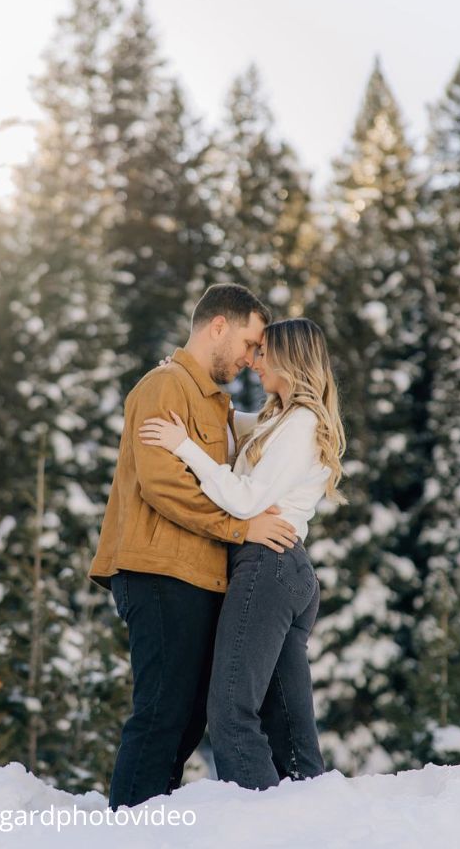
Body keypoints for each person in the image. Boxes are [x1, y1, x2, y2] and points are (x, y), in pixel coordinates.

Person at [88, 283, 302, 810]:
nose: (254, 357)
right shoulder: (166, 386)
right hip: (160, 573)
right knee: (163, 711)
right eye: (252, 343)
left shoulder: (214, 404)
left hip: (197, 575)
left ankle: (152, 817)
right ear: (219, 326)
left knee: (184, 718)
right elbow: (163, 485)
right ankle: (129, 826)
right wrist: (240, 530)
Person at [139, 317, 346, 791]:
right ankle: (313, 822)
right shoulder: (279, 420)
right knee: (289, 729)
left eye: (264, 353)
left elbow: (247, 500)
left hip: (268, 568)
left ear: (290, 360)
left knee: (231, 710)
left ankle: (257, 826)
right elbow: (225, 423)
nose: (254, 362)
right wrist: (182, 374)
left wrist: (183, 448)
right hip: (282, 571)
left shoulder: (301, 423)